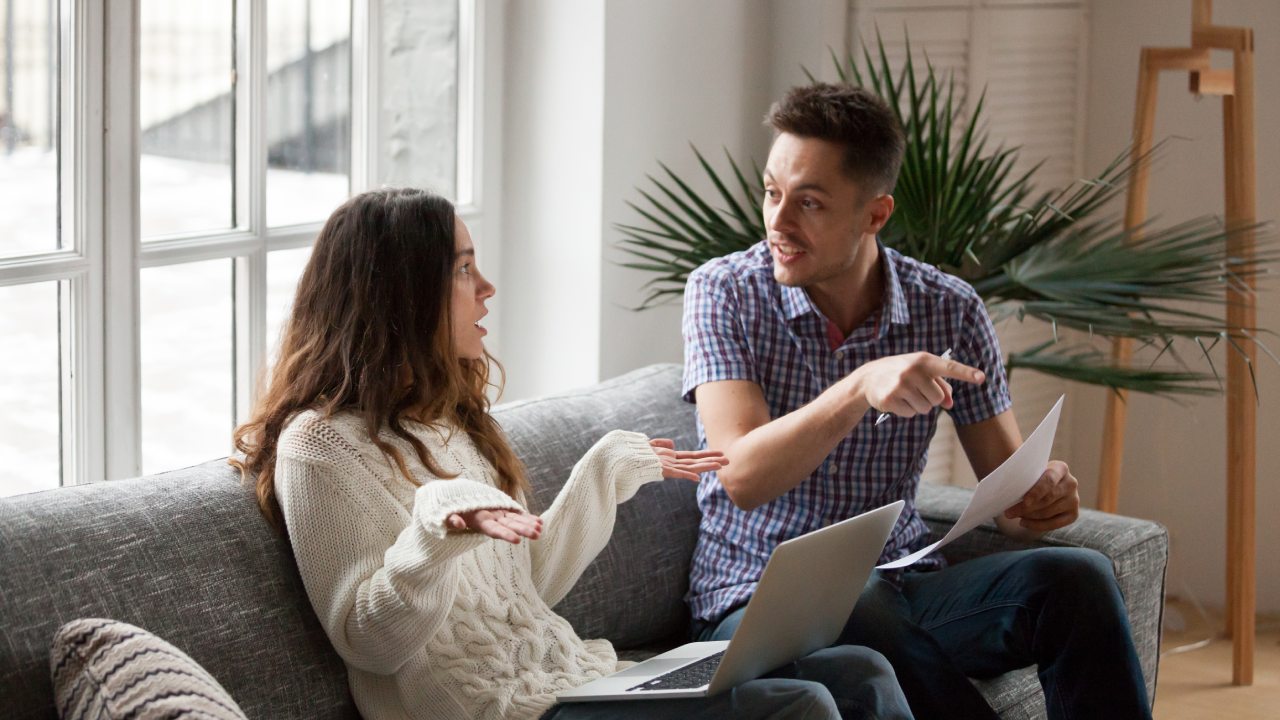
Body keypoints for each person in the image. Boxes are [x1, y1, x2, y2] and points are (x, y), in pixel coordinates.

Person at [230, 188, 913, 720]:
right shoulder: (318, 448)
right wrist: (434, 537)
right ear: (399, 295)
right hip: (506, 713)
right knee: (800, 707)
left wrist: (605, 472)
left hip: (581, 684)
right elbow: (368, 643)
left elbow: (527, 589)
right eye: (465, 269)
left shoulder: (449, 420)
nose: (486, 288)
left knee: (861, 672)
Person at [681, 83, 1153, 720]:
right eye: (772, 192)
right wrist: (858, 386)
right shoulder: (724, 292)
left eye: (810, 203)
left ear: (875, 214)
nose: (778, 222)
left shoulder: (948, 308)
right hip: (752, 608)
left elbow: (1008, 497)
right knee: (860, 597)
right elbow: (740, 475)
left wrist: (1041, 496)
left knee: (1077, 580)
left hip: (903, 589)